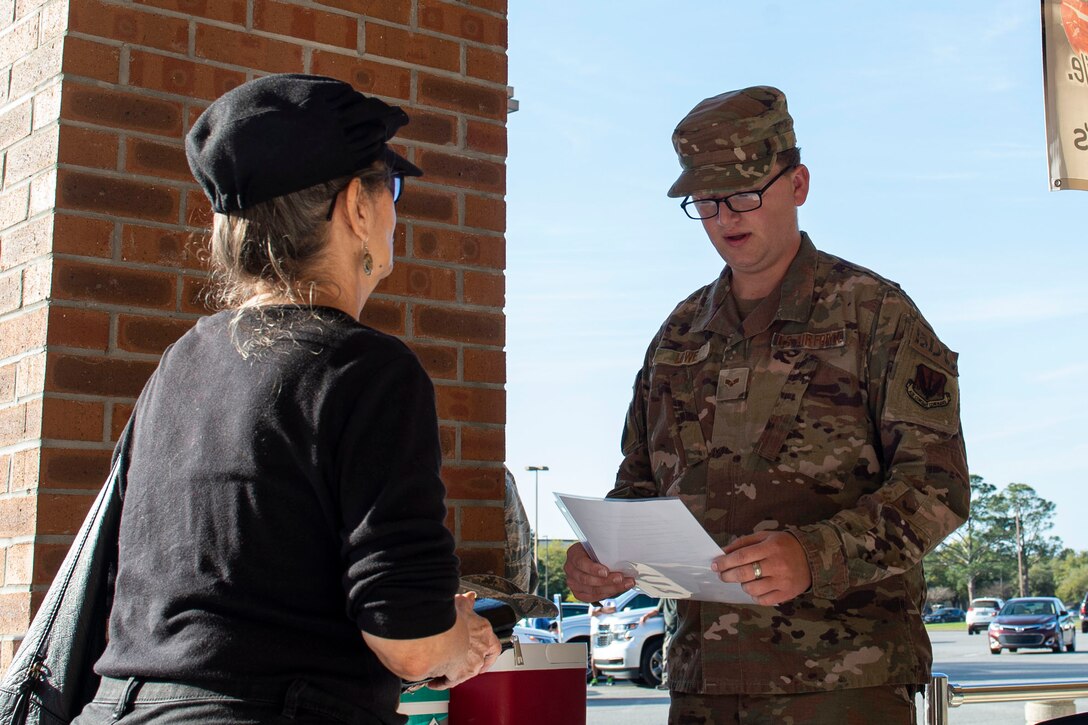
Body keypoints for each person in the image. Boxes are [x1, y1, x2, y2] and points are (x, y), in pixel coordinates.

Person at [72, 74, 501, 724]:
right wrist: (458, 638)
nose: (394, 211)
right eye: (391, 187)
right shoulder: (369, 370)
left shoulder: (178, 365)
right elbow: (408, 642)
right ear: (357, 208)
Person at [564, 86, 969, 723]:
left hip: (844, 684)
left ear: (798, 183)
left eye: (745, 193)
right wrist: (603, 557)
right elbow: (637, 486)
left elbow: (936, 490)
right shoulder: (678, 335)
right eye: (706, 201)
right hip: (702, 685)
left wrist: (816, 556)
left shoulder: (874, 313)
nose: (727, 216)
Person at [638, 598, 677, 689]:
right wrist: (646, 616)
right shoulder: (665, 597)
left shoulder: (681, 596)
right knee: (667, 656)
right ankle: (666, 681)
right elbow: (657, 610)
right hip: (670, 631)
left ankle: (677, 681)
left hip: (680, 630)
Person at [588, 598, 617, 685]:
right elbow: (591, 613)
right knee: (594, 655)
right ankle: (595, 678)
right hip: (595, 631)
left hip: (607, 631)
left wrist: (600, 610)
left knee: (609, 654)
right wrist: (604, 610)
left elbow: (613, 609)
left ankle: (609, 678)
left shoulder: (611, 600)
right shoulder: (593, 601)